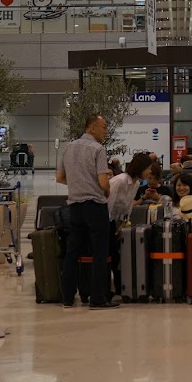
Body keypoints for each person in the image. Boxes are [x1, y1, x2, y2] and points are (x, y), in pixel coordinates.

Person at [57, 114, 118, 309]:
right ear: (92, 128)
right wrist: (106, 189)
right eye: (104, 127)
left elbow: (59, 177)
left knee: (73, 252)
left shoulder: (68, 148)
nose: (106, 131)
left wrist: (78, 184)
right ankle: (97, 299)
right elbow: (102, 182)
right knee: (100, 252)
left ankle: (67, 297)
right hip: (95, 206)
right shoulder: (98, 149)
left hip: (75, 206)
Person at [107, 152, 154, 299]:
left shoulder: (136, 183)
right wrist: (110, 226)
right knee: (110, 255)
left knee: (116, 256)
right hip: (105, 220)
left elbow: (127, 206)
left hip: (117, 222)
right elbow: (108, 204)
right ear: (140, 167)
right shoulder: (119, 181)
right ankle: (106, 289)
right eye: (148, 168)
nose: (150, 172)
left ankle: (120, 287)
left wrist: (122, 224)